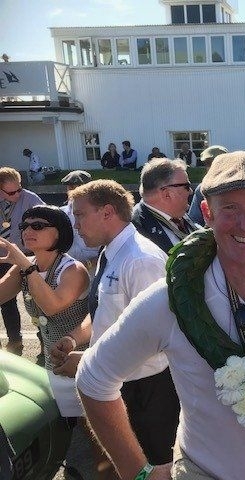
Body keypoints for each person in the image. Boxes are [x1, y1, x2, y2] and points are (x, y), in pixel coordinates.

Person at [75, 152, 245, 479]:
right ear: (207, 213)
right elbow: (93, 378)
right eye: (230, 208)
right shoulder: (170, 300)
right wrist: (136, 471)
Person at [51, 179, 177, 466]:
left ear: (107, 212)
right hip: (120, 381)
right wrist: (74, 338)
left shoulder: (140, 260)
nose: (75, 225)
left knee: (150, 466)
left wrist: (87, 361)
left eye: (80, 214)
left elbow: (159, 339)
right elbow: (107, 313)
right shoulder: (112, 252)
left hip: (146, 390)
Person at [0, 205, 105, 480]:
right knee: (63, 427)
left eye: (38, 225)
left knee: (90, 430)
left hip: (78, 361)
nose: (27, 231)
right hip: (52, 362)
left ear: (59, 233)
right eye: (24, 226)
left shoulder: (72, 269)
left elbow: (52, 307)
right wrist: (23, 266)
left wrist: (24, 264)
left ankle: (101, 471)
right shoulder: (26, 267)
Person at [0, 167, 44, 354]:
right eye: (11, 192)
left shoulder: (31, 199)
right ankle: (15, 341)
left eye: (19, 189)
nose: (18, 194)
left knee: (38, 300)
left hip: (26, 257)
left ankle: (46, 344)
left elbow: (51, 218)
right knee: (6, 302)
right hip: (2, 258)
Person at [132, 158, 199, 254]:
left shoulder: (177, 214)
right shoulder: (136, 230)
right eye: (186, 186)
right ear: (167, 194)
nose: (191, 191)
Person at [60, 171, 101, 277]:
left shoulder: (100, 213)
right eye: (70, 187)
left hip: (94, 271)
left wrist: (89, 263)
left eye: (78, 187)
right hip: (68, 272)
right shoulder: (61, 214)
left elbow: (109, 246)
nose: (73, 191)